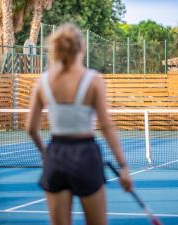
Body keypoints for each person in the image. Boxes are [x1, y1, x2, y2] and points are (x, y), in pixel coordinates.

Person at [26, 23, 133, 225]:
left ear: (55, 50)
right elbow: (106, 126)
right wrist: (124, 166)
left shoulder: (42, 82)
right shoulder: (93, 80)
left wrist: (46, 153)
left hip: (55, 156)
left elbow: (31, 128)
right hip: (85, 155)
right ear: (81, 49)